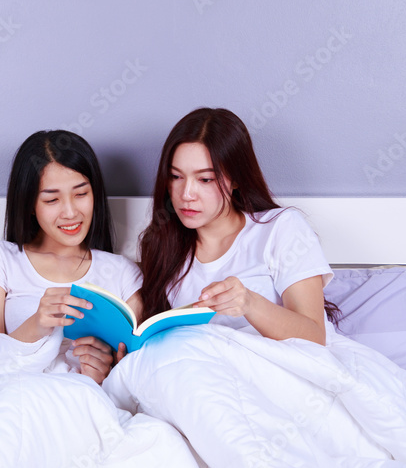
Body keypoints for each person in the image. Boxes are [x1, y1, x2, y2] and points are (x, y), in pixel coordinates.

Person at [138, 108, 336, 345]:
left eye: (205, 179)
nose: (186, 194)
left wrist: (250, 303)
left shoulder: (280, 228)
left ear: (236, 179)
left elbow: (314, 336)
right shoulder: (161, 245)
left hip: (273, 362)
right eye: (175, 176)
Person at [0, 130, 142, 384]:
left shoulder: (123, 273)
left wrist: (105, 373)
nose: (70, 212)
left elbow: (135, 375)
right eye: (52, 199)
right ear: (30, 205)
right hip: (14, 396)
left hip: (88, 399)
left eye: (81, 194)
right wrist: (36, 325)